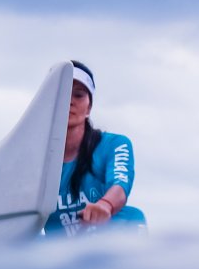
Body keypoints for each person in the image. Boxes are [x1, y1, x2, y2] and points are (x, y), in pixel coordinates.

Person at [45, 61, 146, 236]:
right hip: (59, 255)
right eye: (62, 93)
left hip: (110, 243)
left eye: (78, 95)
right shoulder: (35, 158)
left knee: (134, 217)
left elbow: (119, 184)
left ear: (89, 108)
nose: (69, 101)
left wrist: (105, 205)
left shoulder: (114, 144)